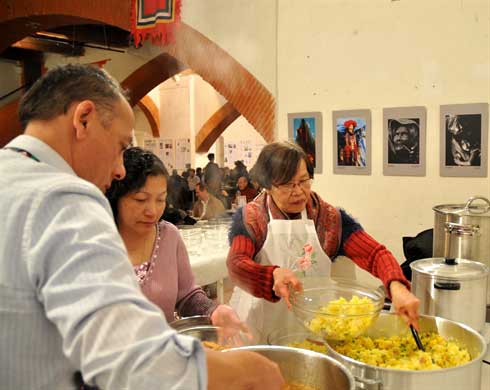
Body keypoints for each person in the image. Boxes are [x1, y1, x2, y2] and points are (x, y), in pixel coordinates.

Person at [0, 64, 284, 389]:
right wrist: (242, 371)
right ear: (83, 119)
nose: (120, 170)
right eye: (121, 146)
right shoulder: (63, 197)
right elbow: (125, 351)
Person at [227, 141, 420, 342]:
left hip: (315, 323)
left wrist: (397, 287)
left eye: (304, 181)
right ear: (267, 186)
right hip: (262, 322)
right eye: (287, 185)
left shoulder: (328, 219)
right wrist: (271, 275)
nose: (299, 191)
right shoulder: (252, 218)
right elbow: (236, 263)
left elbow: (374, 254)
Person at [106, 147, 247, 335]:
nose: (152, 211)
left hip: (165, 355)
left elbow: (187, 294)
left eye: (160, 200)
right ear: (117, 197)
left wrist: (212, 310)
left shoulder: (168, 236)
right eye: (141, 200)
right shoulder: (99, 241)